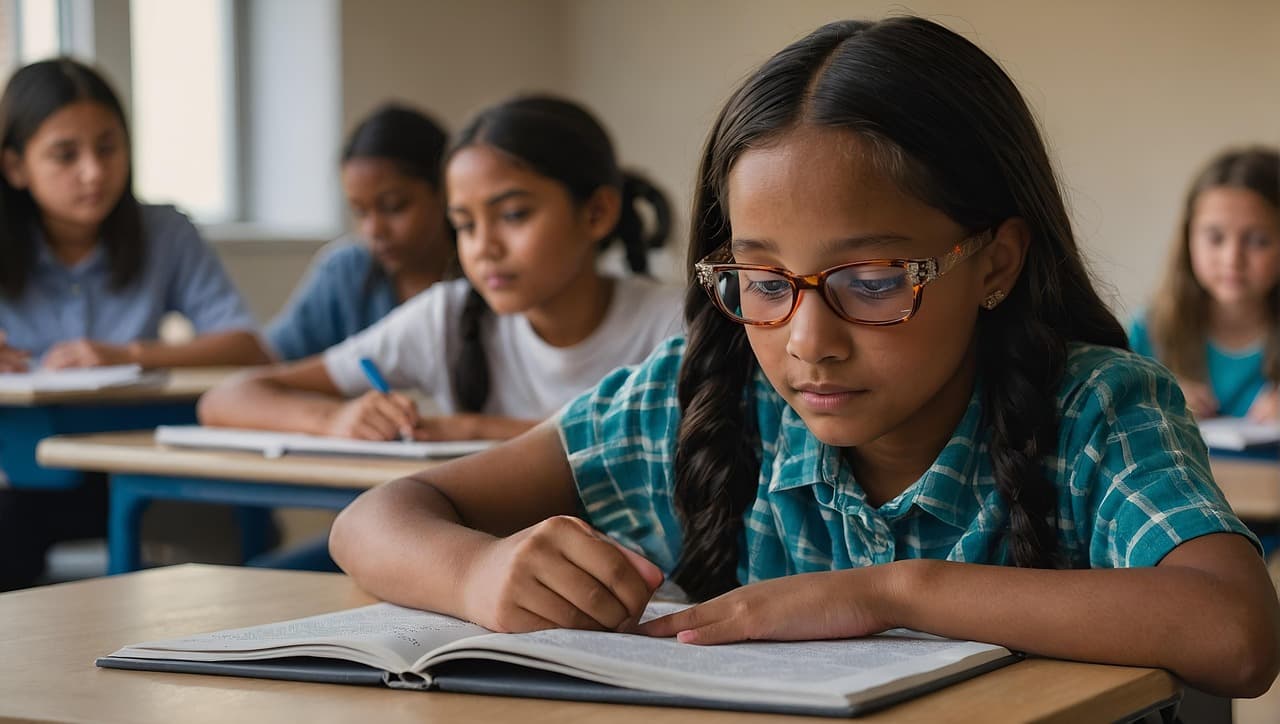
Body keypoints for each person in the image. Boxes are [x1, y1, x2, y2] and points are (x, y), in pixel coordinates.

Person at [328, 18, 1280, 698]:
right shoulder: (703, 399)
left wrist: (887, 594)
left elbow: (1235, 633)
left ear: (995, 261)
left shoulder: (1097, 408)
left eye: (871, 280)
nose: (807, 340)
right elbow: (379, 519)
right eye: (764, 281)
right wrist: (476, 577)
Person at [199, 95, 682, 443]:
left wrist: (477, 429)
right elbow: (227, 398)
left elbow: (673, 447)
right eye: (465, 224)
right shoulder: (446, 317)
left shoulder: (671, 324)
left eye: (513, 215)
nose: (484, 247)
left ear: (596, 213)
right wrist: (336, 420)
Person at [0, 58, 268, 589]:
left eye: (107, 147)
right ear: (15, 167)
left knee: (240, 523)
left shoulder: (164, 231)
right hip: (17, 482)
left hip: (138, 466)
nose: (94, 172)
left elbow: (247, 346)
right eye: (65, 155)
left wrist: (129, 354)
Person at [266, 104, 456, 362]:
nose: (374, 230)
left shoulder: (485, 275)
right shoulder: (345, 272)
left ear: (445, 191)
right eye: (360, 212)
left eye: (393, 207)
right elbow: (270, 359)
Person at [1130, 147, 1280, 421]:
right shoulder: (1149, 333)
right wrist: (1157, 401)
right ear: (1189, 239)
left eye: (1258, 240)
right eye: (1215, 238)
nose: (1232, 258)